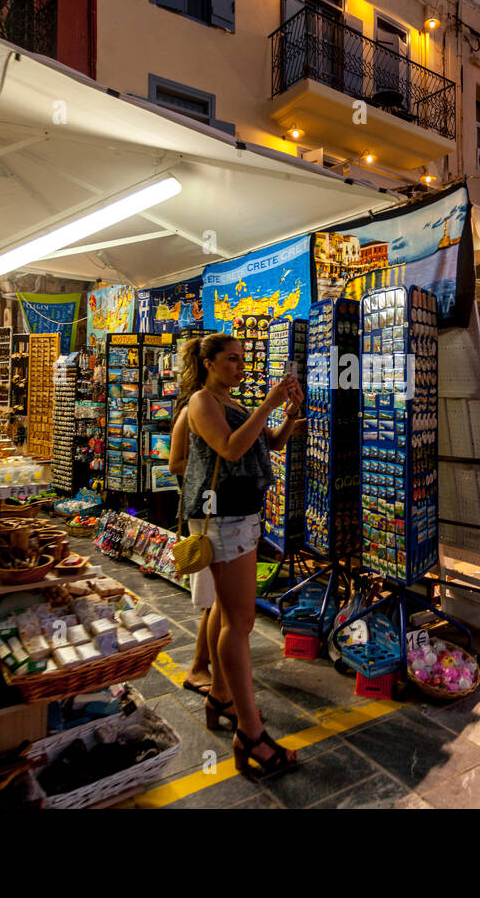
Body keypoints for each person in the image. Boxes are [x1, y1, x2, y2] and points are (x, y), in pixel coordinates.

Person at [181, 333, 306, 778]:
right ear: (210, 363)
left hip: (241, 513)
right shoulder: (201, 402)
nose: (240, 366)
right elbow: (230, 448)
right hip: (221, 515)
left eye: (242, 359)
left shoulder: (232, 403)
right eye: (232, 360)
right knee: (241, 621)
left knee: (229, 614)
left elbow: (268, 444)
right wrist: (269, 404)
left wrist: (288, 415)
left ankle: (220, 695)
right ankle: (249, 732)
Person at [169, 401, 220, 698]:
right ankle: (199, 666)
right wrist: (219, 463)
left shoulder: (222, 408)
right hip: (205, 508)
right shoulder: (192, 411)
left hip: (220, 508)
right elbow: (175, 463)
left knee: (219, 600)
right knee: (213, 599)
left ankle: (210, 665)